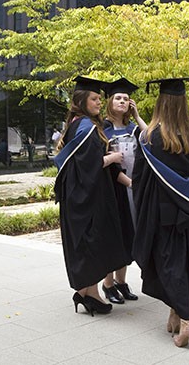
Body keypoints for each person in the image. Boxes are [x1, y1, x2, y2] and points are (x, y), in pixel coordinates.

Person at [131, 78, 189, 350]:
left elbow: (141, 181)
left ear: (160, 104)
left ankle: (188, 322)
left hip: (164, 216)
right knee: (186, 264)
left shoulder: (153, 137)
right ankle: (176, 313)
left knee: (169, 266)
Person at [54, 76, 130, 317]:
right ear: (82, 100)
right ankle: (92, 293)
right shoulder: (86, 127)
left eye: (99, 98)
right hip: (85, 198)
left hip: (81, 195)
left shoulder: (78, 123)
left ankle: (86, 293)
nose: (99, 102)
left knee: (87, 242)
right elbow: (91, 164)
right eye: (95, 98)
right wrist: (113, 158)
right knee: (91, 242)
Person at [100, 77, 146, 305]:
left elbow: (152, 141)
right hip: (116, 189)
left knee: (129, 235)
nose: (122, 101)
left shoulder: (133, 128)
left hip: (133, 188)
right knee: (115, 236)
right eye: (118, 98)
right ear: (109, 102)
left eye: (126, 99)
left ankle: (121, 281)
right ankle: (107, 284)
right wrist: (129, 182)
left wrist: (138, 117)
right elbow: (106, 165)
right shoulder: (102, 129)